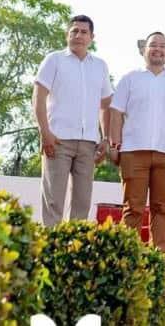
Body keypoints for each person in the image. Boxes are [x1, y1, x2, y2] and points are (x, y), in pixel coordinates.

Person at [33, 14, 113, 226]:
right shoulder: (54, 60)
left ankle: (74, 253)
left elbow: (105, 105)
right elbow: (38, 96)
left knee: (82, 202)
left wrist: (106, 138)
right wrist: (45, 132)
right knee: (53, 202)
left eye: (83, 32)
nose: (78, 35)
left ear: (92, 37)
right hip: (57, 141)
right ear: (67, 34)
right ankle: (50, 252)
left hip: (88, 144)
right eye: (74, 31)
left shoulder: (100, 66)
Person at [110, 32, 165, 251]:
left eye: (162, 46)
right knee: (133, 207)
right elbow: (116, 112)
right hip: (133, 151)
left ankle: (158, 257)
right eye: (153, 45)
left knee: (162, 208)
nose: (158, 49)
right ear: (144, 50)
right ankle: (129, 258)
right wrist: (114, 144)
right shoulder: (130, 78)